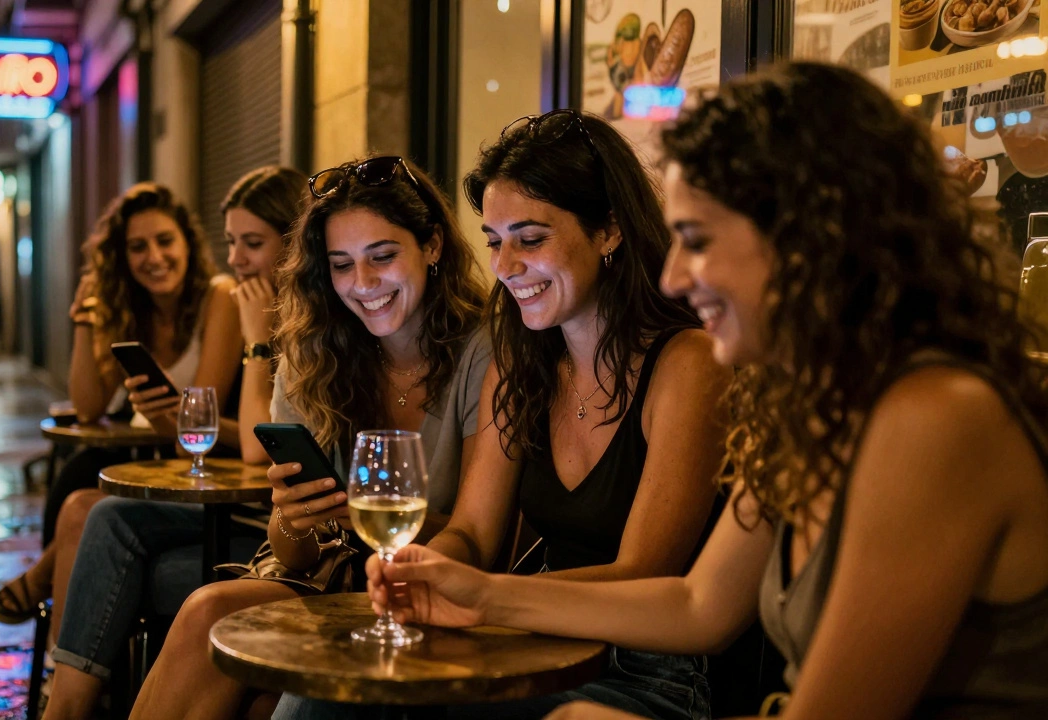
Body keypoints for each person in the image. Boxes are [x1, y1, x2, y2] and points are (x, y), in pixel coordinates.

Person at [363, 62, 1048, 720]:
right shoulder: (802, 403)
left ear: (805, 236)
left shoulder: (935, 417)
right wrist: (478, 595)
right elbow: (699, 606)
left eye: (696, 239)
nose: (674, 277)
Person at [275, 111, 728, 720]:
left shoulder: (687, 362)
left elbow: (645, 572)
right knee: (330, 686)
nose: (506, 266)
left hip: (644, 671)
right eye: (494, 241)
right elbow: (474, 534)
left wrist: (485, 598)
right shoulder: (521, 361)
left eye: (531, 238)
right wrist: (427, 571)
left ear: (610, 231)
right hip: (528, 644)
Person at [124, 155, 491, 720]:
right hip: (333, 579)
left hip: (437, 592)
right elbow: (292, 557)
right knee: (207, 610)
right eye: (342, 264)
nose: (362, 284)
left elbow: (483, 538)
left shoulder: (483, 352)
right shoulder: (312, 354)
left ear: (434, 245)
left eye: (383, 257)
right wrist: (294, 514)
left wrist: (374, 516)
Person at [38, 166, 313, 720]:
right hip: (254, 505)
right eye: (231, 242)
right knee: (89, 503)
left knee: (98, 511)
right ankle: (64, 704)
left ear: (297, 242)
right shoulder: (264, 307)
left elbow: (247, 445)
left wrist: (257, 345)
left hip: (272, 517)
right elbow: (92, 406)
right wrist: (87, 321)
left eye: (252, 244)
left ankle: (62, 689)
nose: (235, 259)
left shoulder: (282, 317)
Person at [0, 182, 242, 638]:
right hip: (147, 455)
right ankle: (59, 664)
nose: (154, 257)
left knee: (84, 498)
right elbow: (88, 406)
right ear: (122, 257)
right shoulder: (130, 309)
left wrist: (165, 416)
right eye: (137, 247)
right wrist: (85, 319)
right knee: (76, 480)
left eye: (165, 240)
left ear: (188, 242)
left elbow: (197, 425)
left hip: (194, 459)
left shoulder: (218, 297)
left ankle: (40, 593)